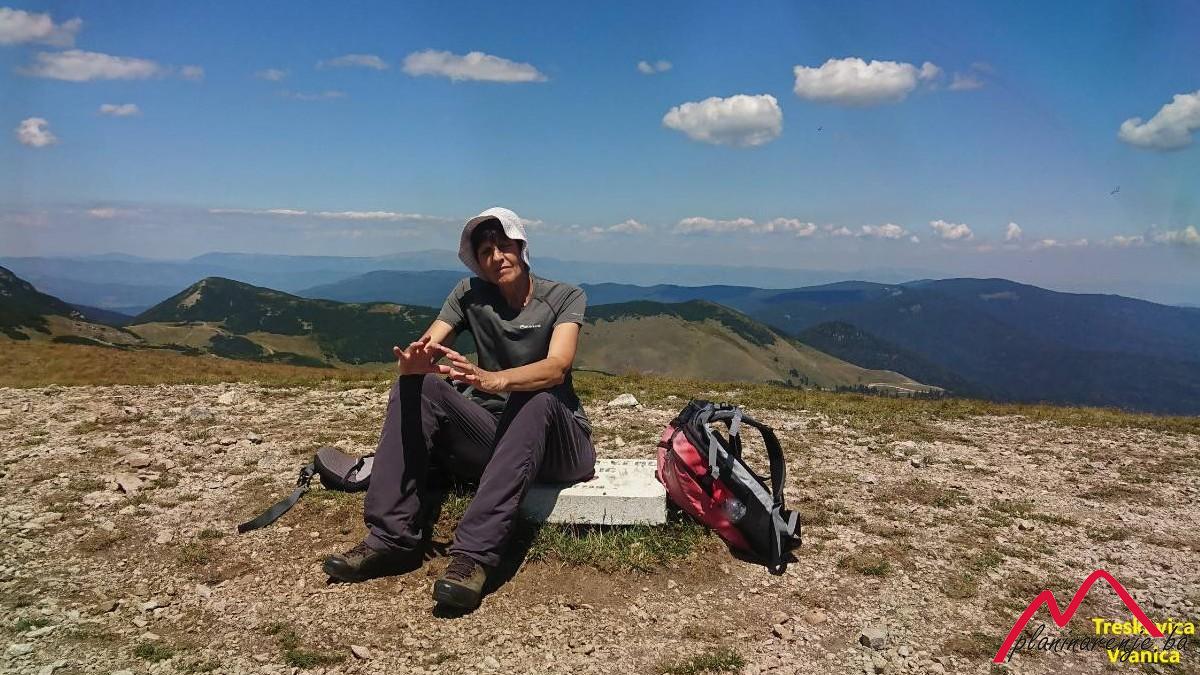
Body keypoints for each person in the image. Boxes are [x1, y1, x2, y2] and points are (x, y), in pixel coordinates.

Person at [323, 206, 595, 611]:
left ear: (522, 246)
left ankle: (472, 557)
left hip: (561, 444)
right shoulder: (468, 294)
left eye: (504, 246)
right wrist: (414, 364)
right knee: (418, 385)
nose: (496, 257)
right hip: (496, 439)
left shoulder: (564, 297)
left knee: (535, 396)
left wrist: (496, 379)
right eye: (485, 252)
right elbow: (430, 342)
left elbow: (557, 367)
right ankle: (391, 539)